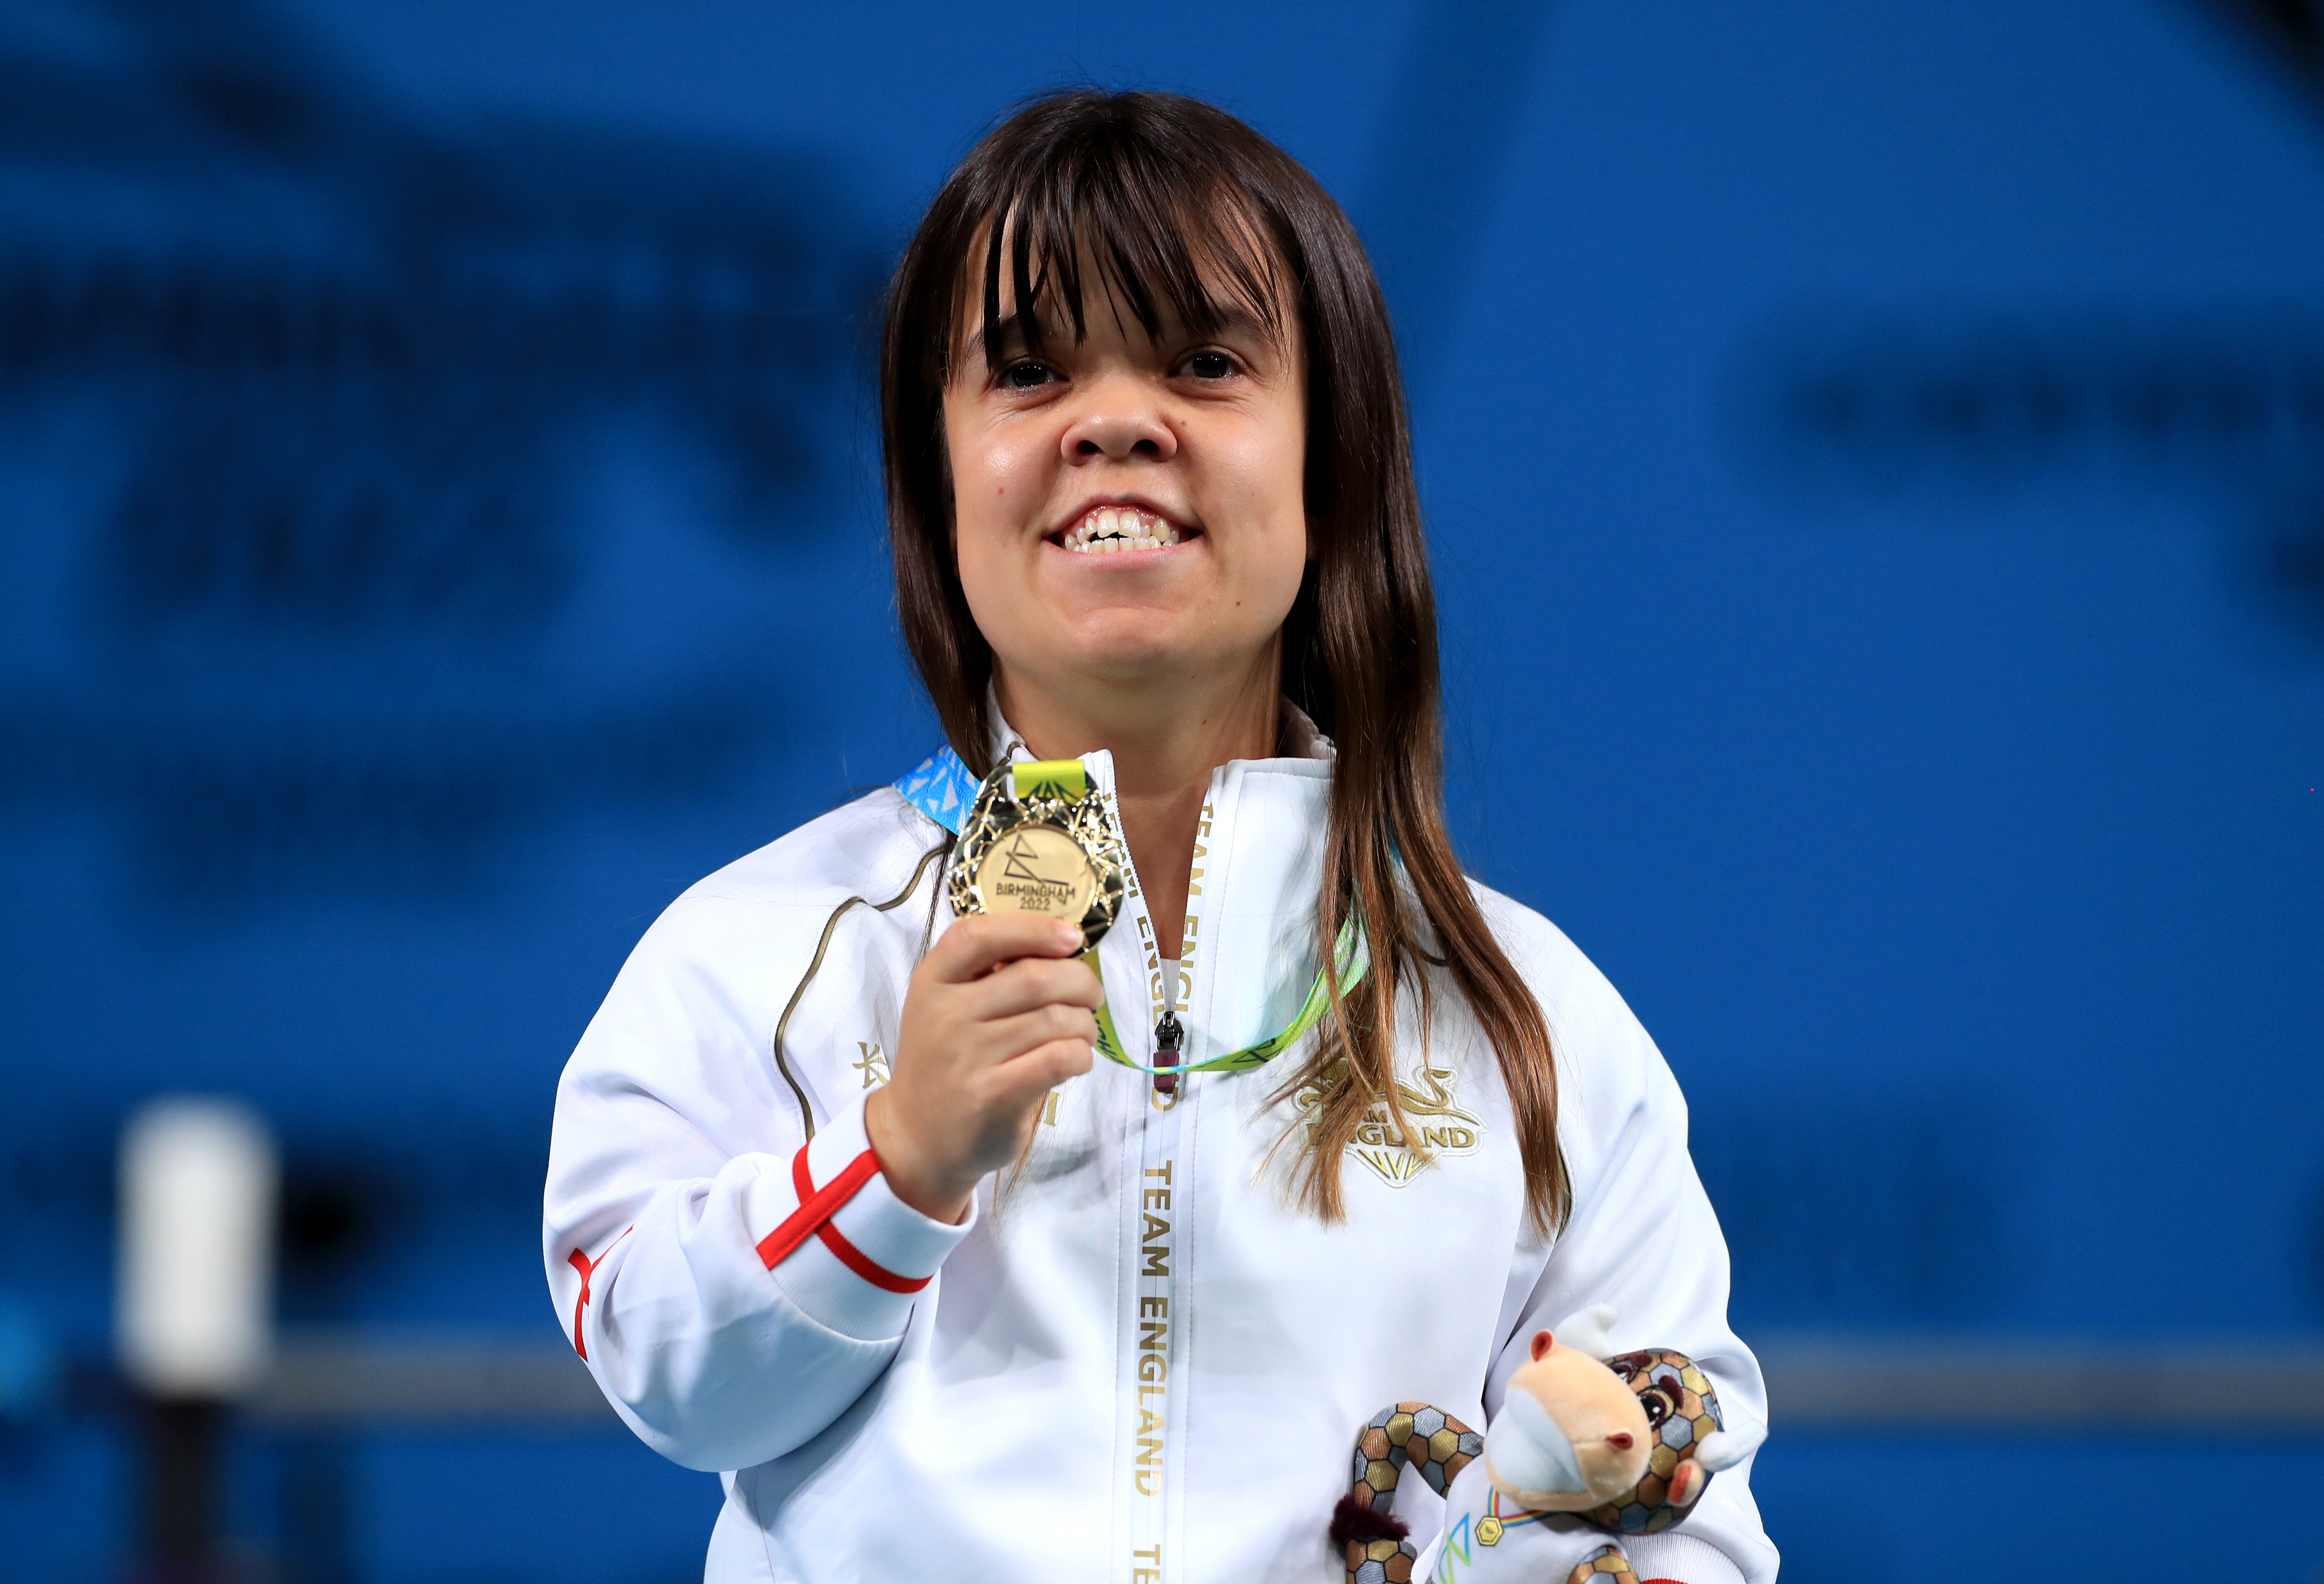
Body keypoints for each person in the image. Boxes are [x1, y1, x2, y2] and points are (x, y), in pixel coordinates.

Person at [543, 88, 1775, 1584]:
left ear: (1332, 468)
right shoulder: (761, 954)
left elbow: (1673, 1512)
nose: (1115, 420)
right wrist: (899, 1161)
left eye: (1204, 363)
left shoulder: (1530, 1019)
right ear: (936, 482)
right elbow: (666, 1380)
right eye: (1026, 370)